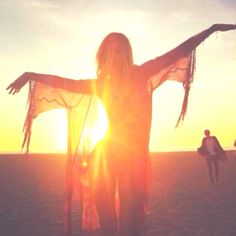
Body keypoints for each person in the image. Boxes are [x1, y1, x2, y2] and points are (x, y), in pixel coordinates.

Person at [7, 24, 236, 236]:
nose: (114, 56)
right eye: (110, 52)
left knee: (129, 222)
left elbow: (178, 51)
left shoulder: (142, 73)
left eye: (119, 51)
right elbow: (65, 82)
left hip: (132, 157)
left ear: (127, 54)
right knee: (107, 221)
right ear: (103, 56)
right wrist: (30, 75)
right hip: (104, 155)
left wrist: (211, 29)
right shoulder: (99, 84)